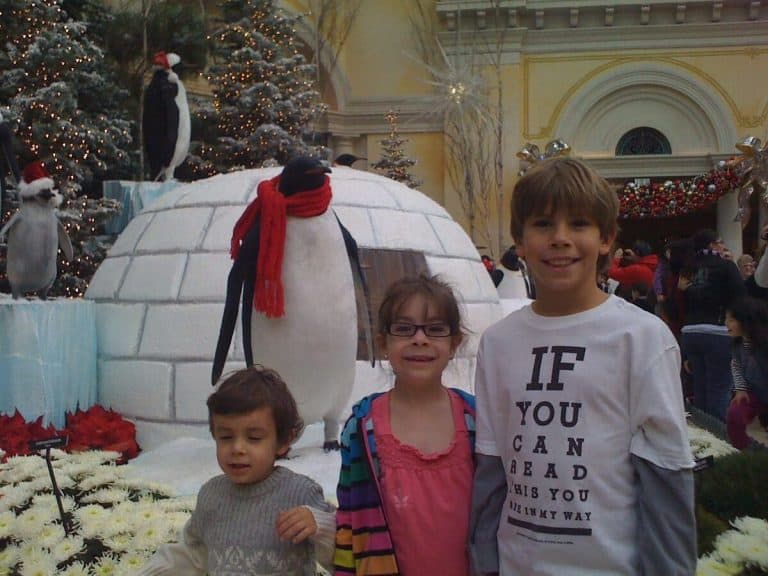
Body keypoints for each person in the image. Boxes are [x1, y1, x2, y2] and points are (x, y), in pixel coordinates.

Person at [470, 157, 696, 576]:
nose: (560, 239)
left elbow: (666, 476)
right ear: (519, 241)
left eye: (578, 224)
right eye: (542, 224)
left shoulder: (641, 338)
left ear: (606, 238)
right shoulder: (498, 343)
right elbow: (491, 466)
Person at [334, 275, 476, 575]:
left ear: (454, 343)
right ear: (383, 343)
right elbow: (350, 520)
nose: (419, 339)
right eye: (404, 328)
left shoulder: (477, 421)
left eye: (436, 329)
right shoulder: (362, 429)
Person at [139, 366, 335, 575]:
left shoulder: (299, 494)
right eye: (226, 437)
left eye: (254, 438)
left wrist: (320, 525)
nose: (237, 448)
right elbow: (190, 553)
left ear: (283, 441)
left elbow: (345, 553)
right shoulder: (212, 496)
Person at [679, 228, 745, 421]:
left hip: (690, 332)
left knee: (700, 389)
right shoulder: (726, 266)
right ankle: (720, 442)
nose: (723, 245)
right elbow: (740, 298)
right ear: (711, 245)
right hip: (717, 331)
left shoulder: (687, 268)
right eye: (719, 241)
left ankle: (704, 437)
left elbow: (679, 301)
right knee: (719, 390)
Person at [724, 296, 768, 450]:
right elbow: (736, 365)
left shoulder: (763, 343)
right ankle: (745, 453)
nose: (726, 324)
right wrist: (740, 389)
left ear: (745, 320)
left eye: (731, 320)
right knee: (734, 414)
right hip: (754, 393)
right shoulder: (738, 345)